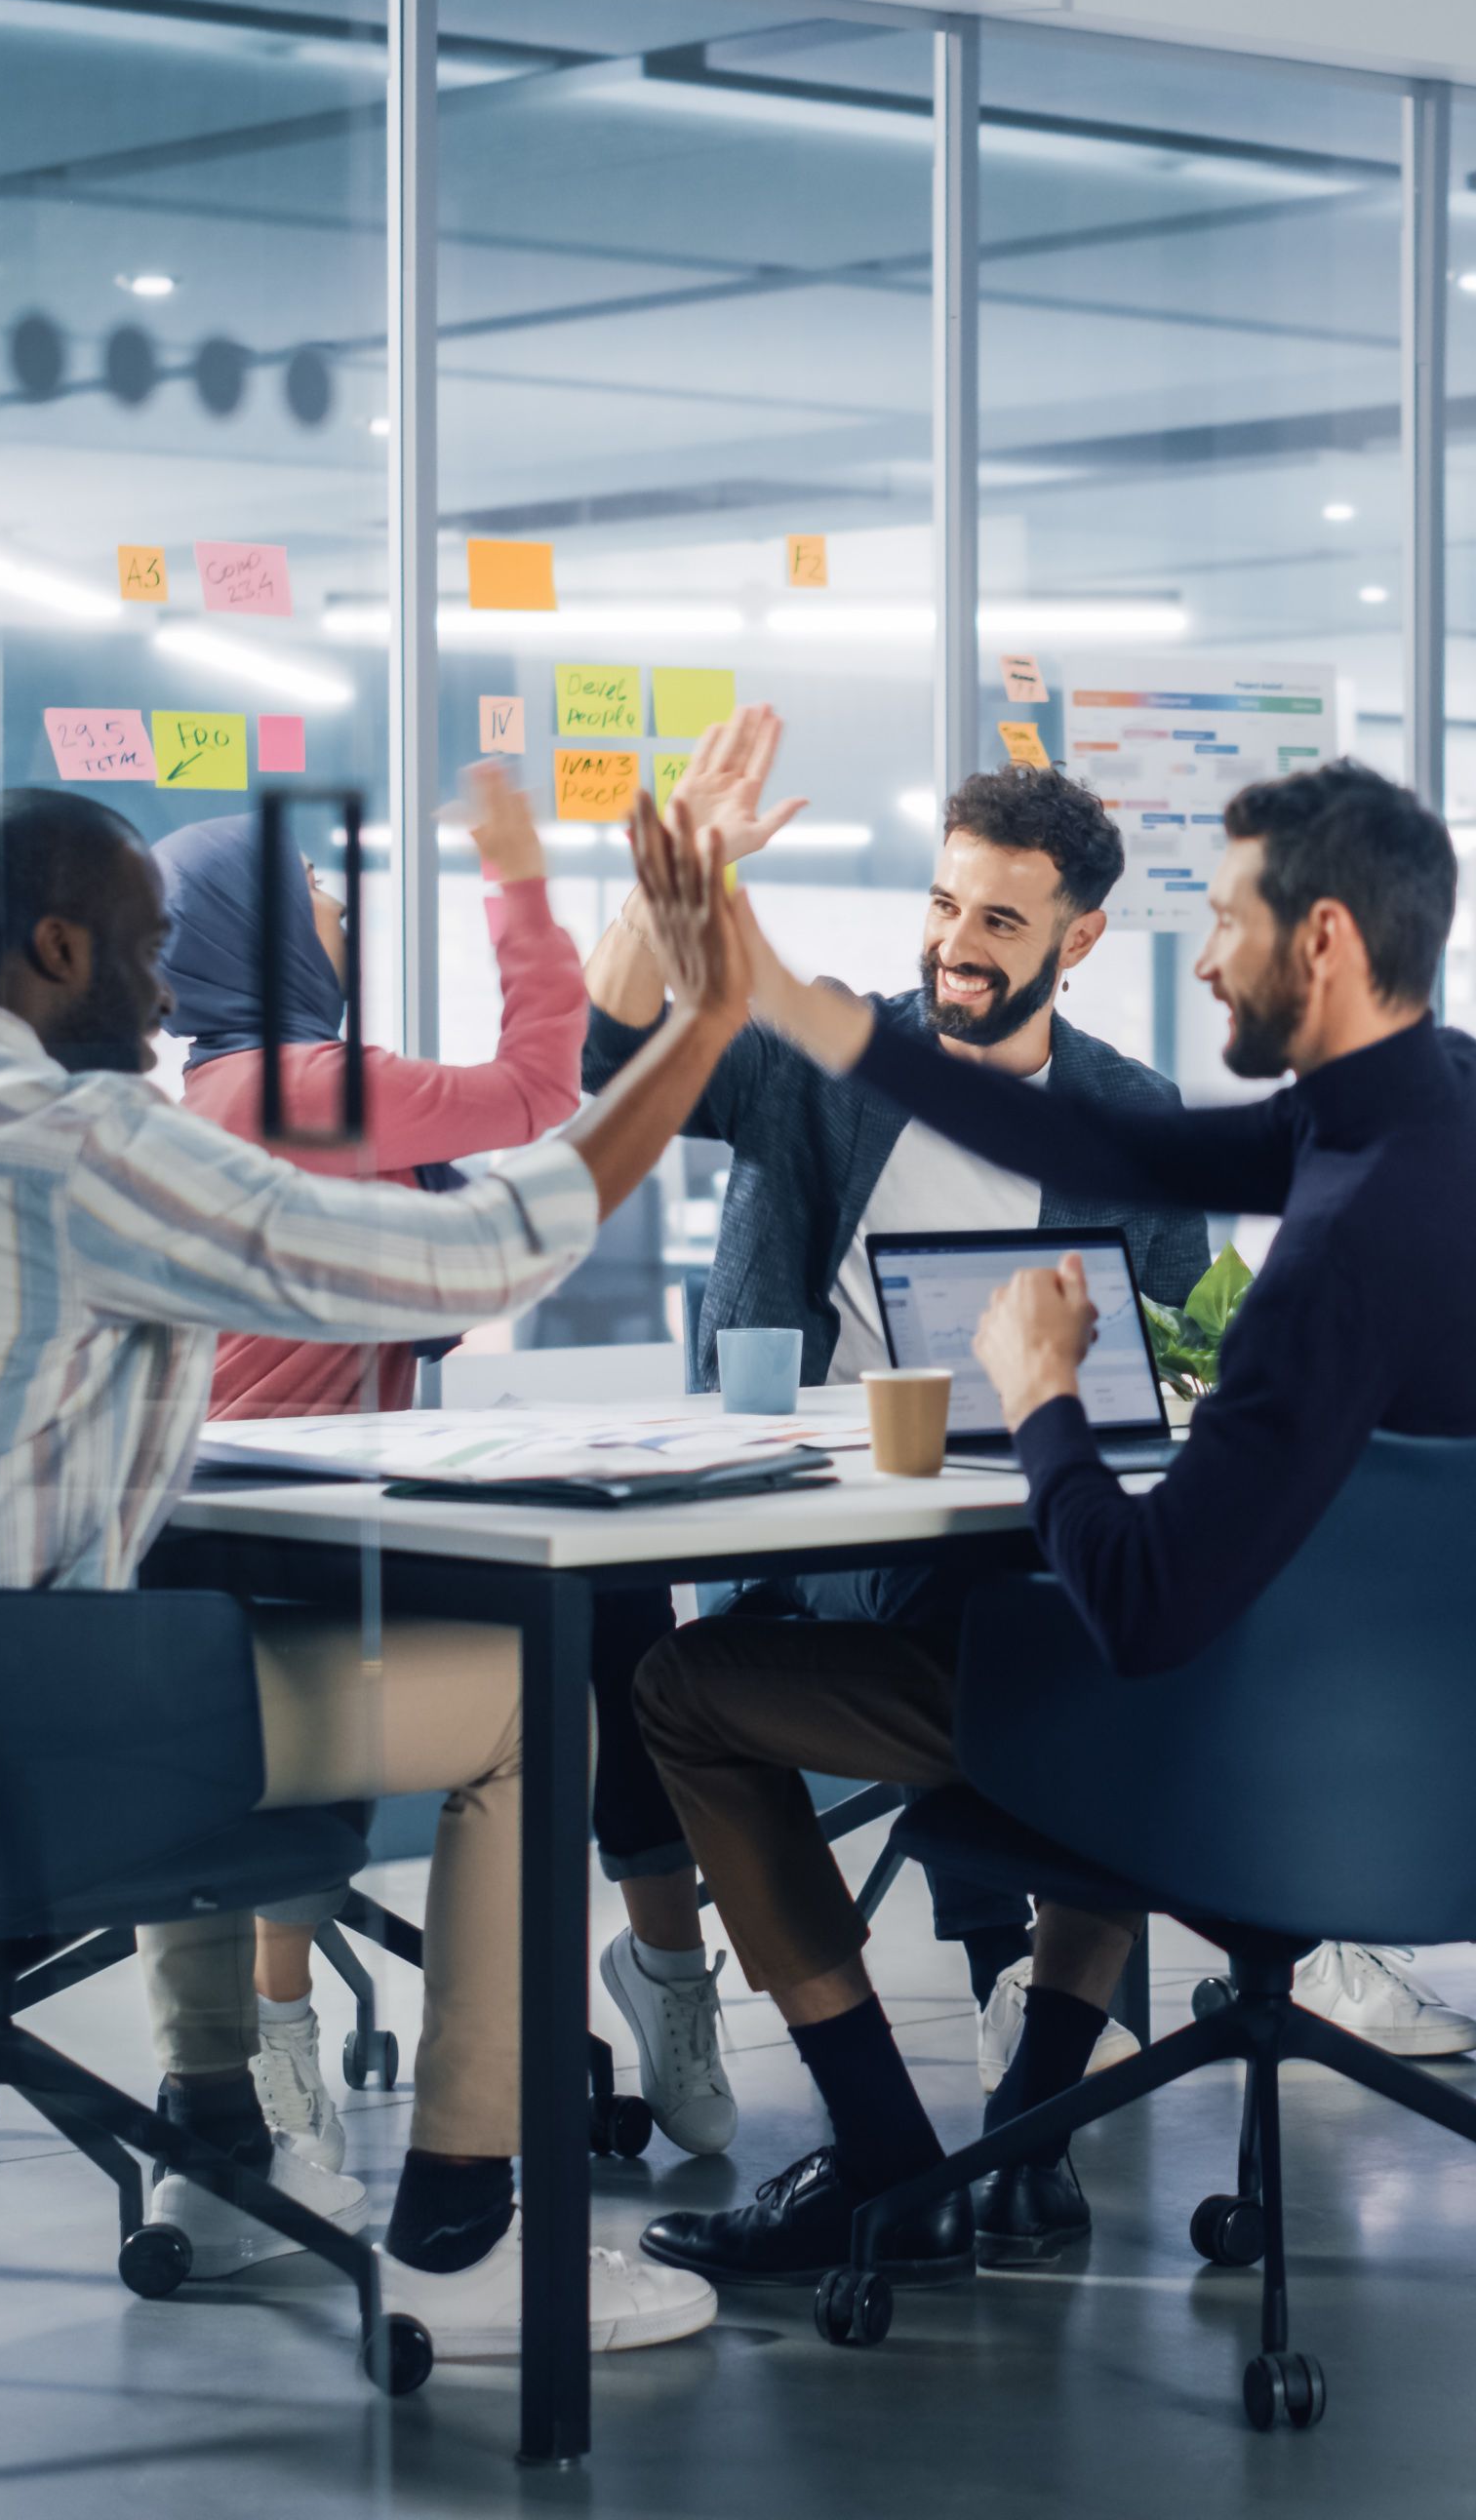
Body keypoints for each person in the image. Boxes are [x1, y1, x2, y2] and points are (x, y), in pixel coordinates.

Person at [0, 776, 753, 2358]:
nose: (169, 994)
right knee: (527, 1697)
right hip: (8, 1747)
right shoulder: (69, 1139)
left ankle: (223, 2142)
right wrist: (701, 1026)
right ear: (57, 948)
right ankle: (465, 2234)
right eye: (143, 950)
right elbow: (484, 1257)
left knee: (182, 1613)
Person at [626, 756, 1476, 2293]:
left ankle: (888, 2161)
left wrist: (1044, 1394)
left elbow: (1144, 1609)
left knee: (687, 1687)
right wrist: (796, 1003)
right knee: (1032, 1625)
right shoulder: (1457, 1107)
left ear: (1324, 940)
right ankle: (1028, 2132)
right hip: (1420, 1728)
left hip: (1239, 1740)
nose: (1203, 962)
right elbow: (1110, 1153)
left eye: (1229, 923)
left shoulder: (1343, 1248)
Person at [566, 728, 1216, 2151]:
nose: (956, 947)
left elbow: (1177, 1354)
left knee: (1097, 1626)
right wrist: (668, 886)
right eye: (943, 904)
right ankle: (991, 2039)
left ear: (1081, 939)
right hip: (835, 1524)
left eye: (1001, 923)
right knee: (1061, 1640)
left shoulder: (1132, 1115)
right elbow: (610, 1057)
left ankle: (1022, 2082)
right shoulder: (823, 1060)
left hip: (1030, 1522)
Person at [149, 761, 591, 2188]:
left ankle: (219, 2080)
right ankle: (463, 2157)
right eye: (320, 897)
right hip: (312, 1536)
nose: (342, 917)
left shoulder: (197, 1095)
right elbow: (539, 1087)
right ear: (262, 929)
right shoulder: (315, 1084)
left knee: (225, 1769)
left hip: (187, 1551)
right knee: (535, 1702)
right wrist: (515, 874)